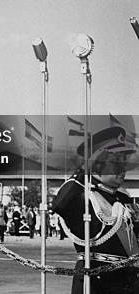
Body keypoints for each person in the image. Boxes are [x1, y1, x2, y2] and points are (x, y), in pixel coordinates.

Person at [52, 126, 139, 294]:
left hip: (129, 281)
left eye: (124, 162)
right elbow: (60, 205)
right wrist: (84, 170)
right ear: (97, 165)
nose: (123, 169)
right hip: (98, 282)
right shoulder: (84, 198)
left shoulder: (124, 199)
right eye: (116, 163)